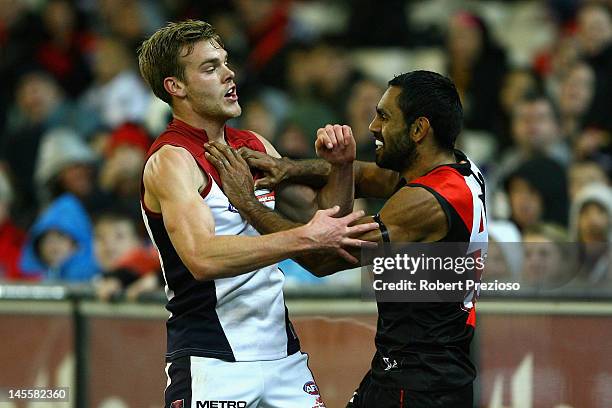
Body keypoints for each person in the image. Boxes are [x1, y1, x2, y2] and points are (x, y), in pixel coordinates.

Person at [205, 71, 488, 407]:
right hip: (419, 374)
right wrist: (287, 168)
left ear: (418, 130)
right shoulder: (462, 172)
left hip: (416, 386)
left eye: (384, 116)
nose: (372, 127)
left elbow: (326, 258)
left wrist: (247, 203)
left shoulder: (424, 203)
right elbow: (361, 174)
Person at [136, 20, 377, 408]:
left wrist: (341, 169)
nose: (229, 74)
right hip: (211, 359)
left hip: (283, 356)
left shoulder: (254, 145)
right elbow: (201, 257)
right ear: (175, 87)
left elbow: (324, 237)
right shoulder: (171, 161)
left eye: (226, 62)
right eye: (210, 68)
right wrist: (304, 236)